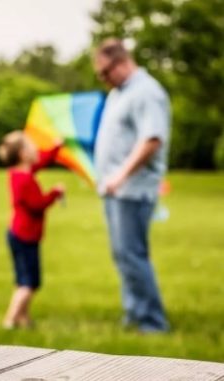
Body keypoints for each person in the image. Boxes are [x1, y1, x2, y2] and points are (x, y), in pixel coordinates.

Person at [93, 38, 171, 332]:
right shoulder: (119, 92)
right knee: (122, 254)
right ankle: (134, 314)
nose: (103, 80)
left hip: (133, 189)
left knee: (132, 254)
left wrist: (120, 175)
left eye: (105, 72)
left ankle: (152, 323)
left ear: (122, 62)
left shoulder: (146, 92)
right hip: (115, 190)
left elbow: (152, 139)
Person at [0, 131, 65, 329]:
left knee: (24, 281)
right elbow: (37, 204)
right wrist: (55, 193)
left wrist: (56, 147)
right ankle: (10, 321)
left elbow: (42, 161)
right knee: (29, 283)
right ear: (23, 154)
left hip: (20, 235)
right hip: (25, 237)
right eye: (32, 146)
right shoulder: (24, 180)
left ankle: (23, 318)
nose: (37, 148)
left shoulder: (22, 172)